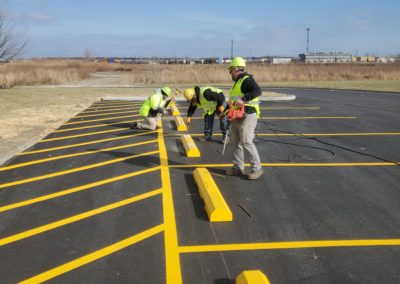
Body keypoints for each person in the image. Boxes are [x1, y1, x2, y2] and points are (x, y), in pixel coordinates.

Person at [225, 57, 263, 180]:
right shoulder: (236, 83)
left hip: (248, 115)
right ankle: (237, 167)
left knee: (246, 141)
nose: (230, 73)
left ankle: (256, 168)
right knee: (235, 142)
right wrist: (225, 111)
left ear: (235, 69)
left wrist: (243, 99)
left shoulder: (247, 80)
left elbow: (257, 91)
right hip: (236, 116)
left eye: (230, 70)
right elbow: (233, 101)